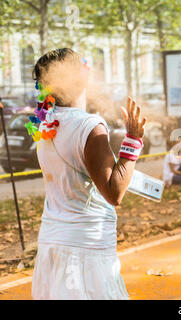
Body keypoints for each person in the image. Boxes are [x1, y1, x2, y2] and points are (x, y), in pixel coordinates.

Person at [30, 48, 147, 299]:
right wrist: (133, 140)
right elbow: (114, 192)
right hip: (85, 251)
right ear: (82, 79)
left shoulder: (45, 123)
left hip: (52, 243)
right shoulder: (89, 126)